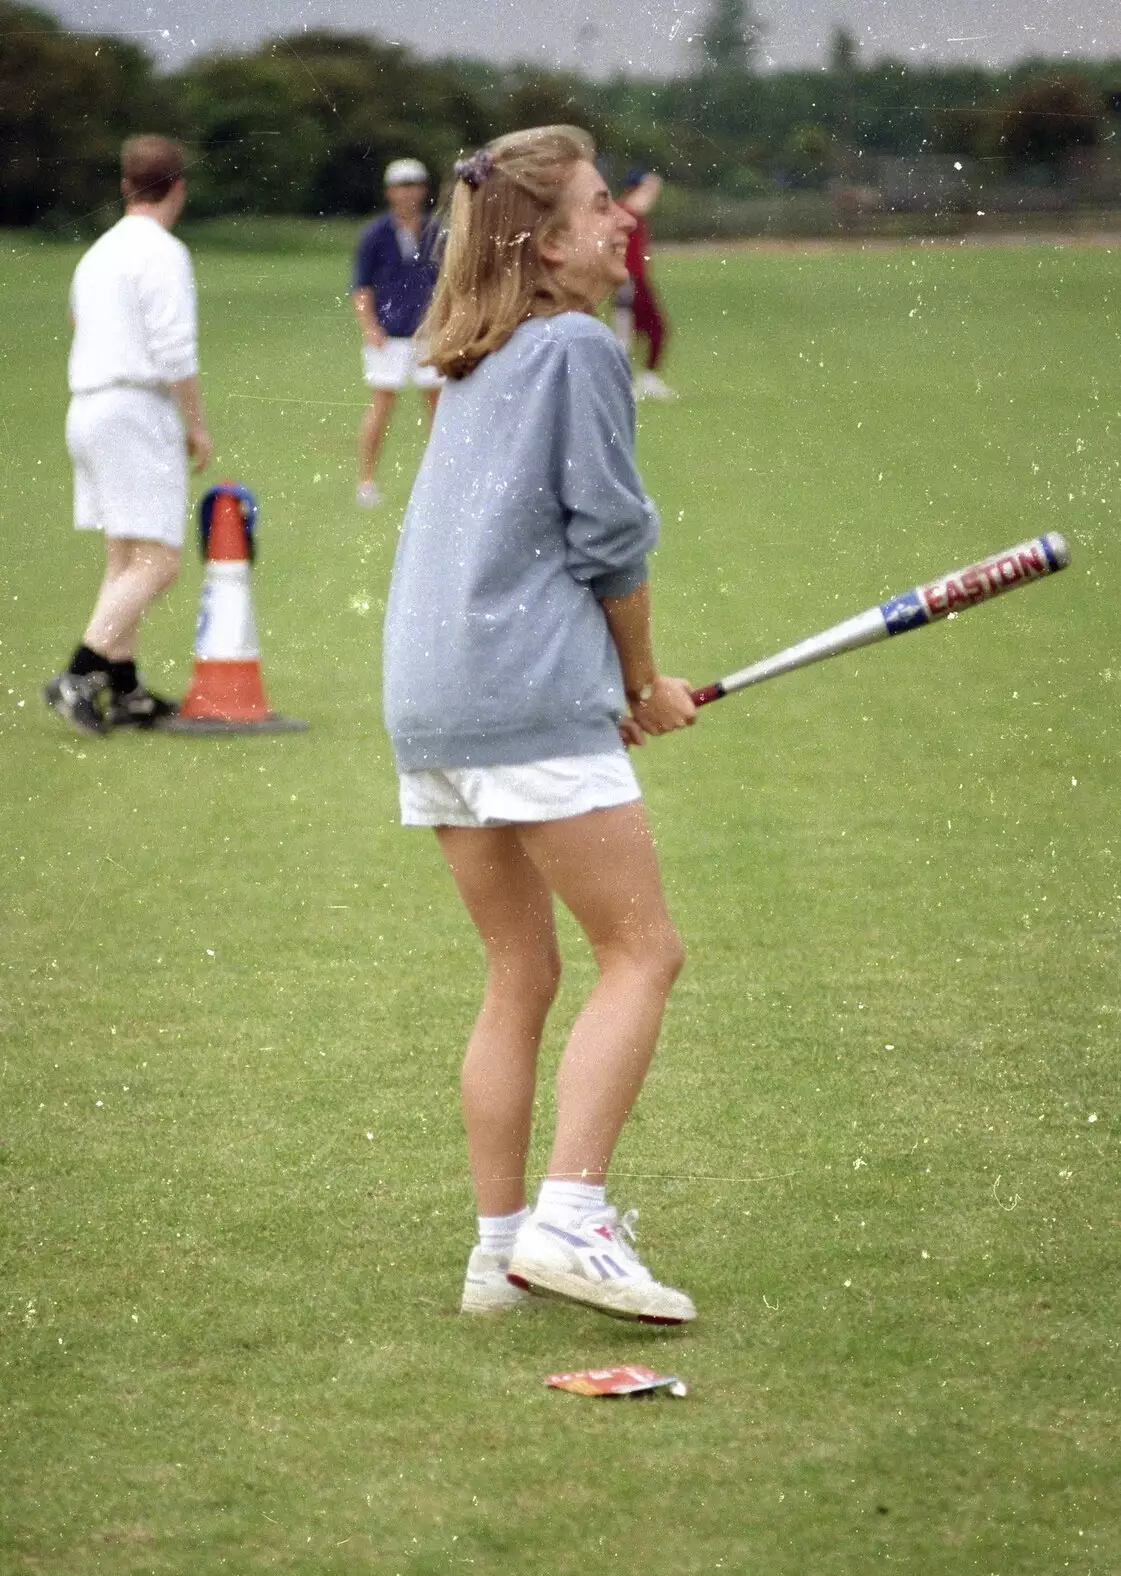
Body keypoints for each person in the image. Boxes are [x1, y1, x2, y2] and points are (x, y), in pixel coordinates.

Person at [382, 126, 699, 1325]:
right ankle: (570, 1217)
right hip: (521, 693)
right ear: (548, 240)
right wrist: (637, 682)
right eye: (599, 205)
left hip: (431, 702)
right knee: (643, 951)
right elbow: (608, 539)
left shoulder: (470, 354)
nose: (621, 221)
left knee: (519, 969)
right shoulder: (573, 345)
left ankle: (495, 1253)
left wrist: (599, 691)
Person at [44, 134, 211, 737]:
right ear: (179, 188)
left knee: (125, 556)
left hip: (87, 406)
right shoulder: (163, 253)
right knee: (160, 563)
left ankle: (125, 689)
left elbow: (75, 320)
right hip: (134, 409)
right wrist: (196, 424)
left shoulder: (100, 251)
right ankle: (78, 673)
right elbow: (174, 350)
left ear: (124, 186)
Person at [351, 157, 442, 509]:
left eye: (415, 184)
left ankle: (439, 480)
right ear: (390, 192)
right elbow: (362, 287)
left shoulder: (435, 232)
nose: (409, 193)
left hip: (427, 334)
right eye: (402, 186)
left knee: (437, 407)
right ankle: (366, 481)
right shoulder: (375, 235)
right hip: (389, 335)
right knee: (382, 405)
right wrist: (369, 326)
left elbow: (447, 281)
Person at [613, 167, 676, 400]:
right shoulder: (625, 210)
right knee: (628, 333)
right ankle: (635, 381)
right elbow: (641, 203)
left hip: (635, 278)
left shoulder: (626, 210)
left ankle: (645, 379)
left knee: (648, 329)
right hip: (629, 278)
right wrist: (652, 184)